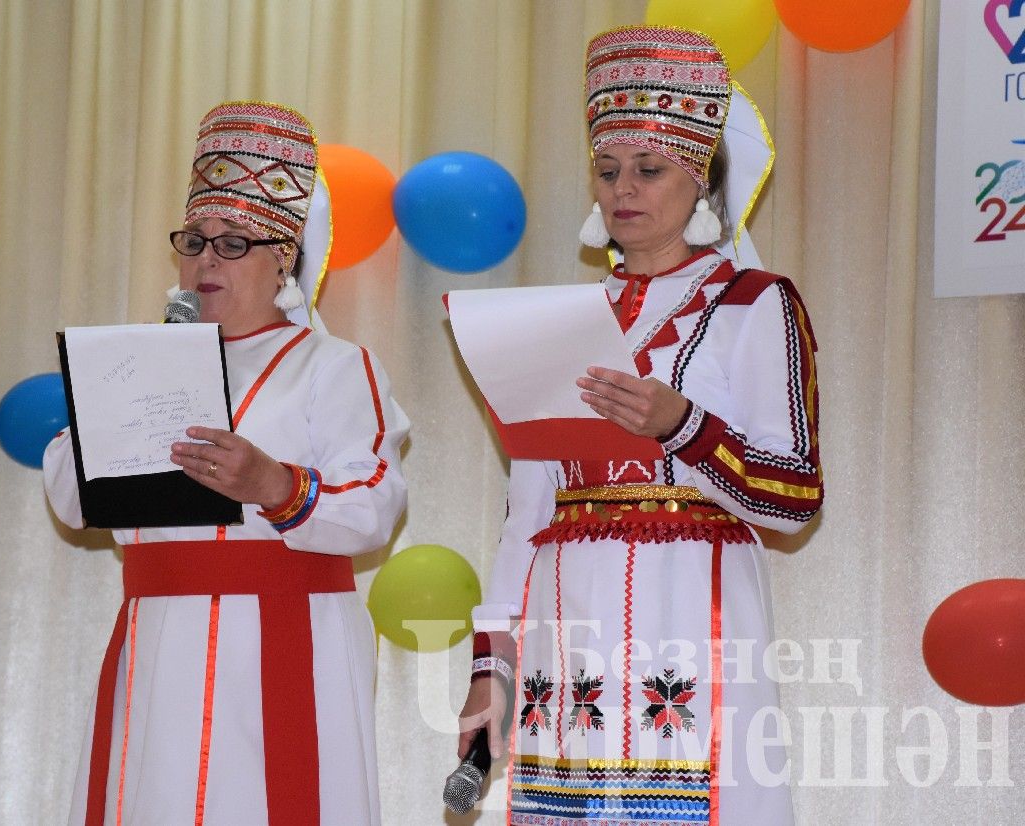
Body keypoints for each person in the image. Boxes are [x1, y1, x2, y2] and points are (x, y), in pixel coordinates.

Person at [456, 27, 822, 825]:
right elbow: (525, 517)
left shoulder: (755, 303)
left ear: (702, 181)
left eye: (650, 169)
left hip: (691, 611)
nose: (624, 188)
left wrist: (684, 425)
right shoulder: (555, 320)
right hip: (566, 623)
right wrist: (493, 666)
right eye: (608, 168)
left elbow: (794, 497)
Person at [44, 101, 408, 826]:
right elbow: (69, 497)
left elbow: (375, 504)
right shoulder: (135, 362)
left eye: (234, 243)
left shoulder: (332, 366)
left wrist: (272, 486)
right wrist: (129, 388)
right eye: (195, 241)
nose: (206, 260)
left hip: (282, 641)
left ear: (286, 256)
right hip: (156, 642)